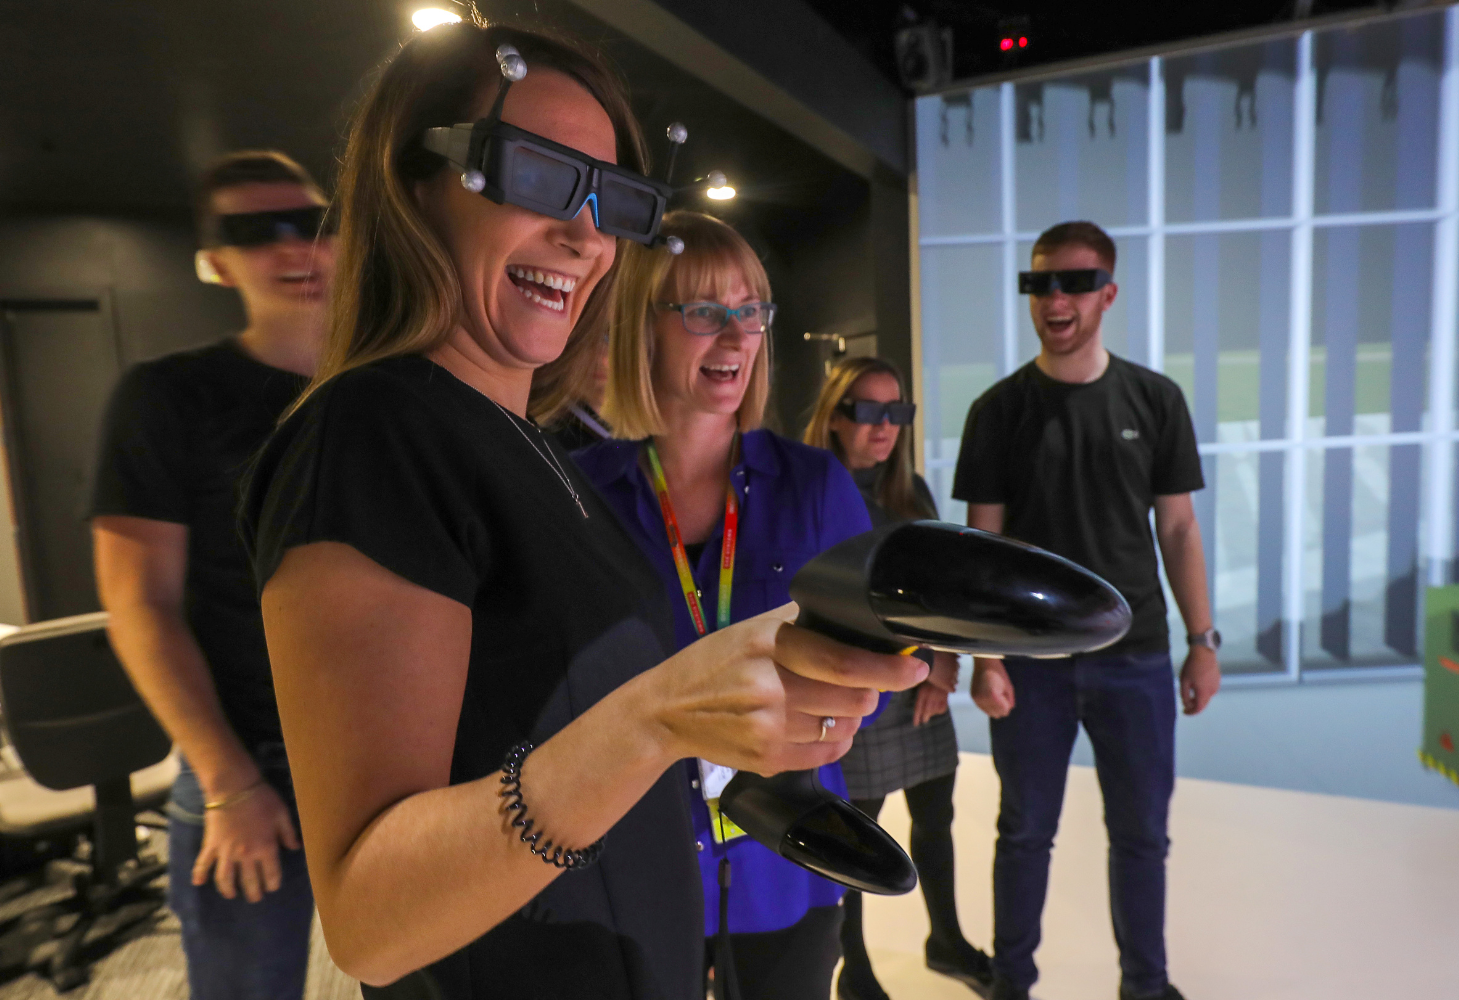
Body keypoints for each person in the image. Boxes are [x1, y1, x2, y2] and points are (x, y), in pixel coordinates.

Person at [238, 24, 922, 1000]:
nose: (587, 234)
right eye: (540, 176)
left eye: (613, 201)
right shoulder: (376, 431)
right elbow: (370, 918)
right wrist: (656, 719)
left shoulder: (530, 449)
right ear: (412, 178)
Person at [573, 210, 878, 1000]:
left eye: (751, 312)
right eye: (704, 312)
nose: (736, 336)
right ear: (643, 326)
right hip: (631, 865)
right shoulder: (579, 495)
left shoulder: (817, 487)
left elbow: (866, 680)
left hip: (788, 863)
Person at [953, 221, 1221, 1000]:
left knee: (1141, 838)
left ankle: (1146, 984)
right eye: (1039, 285)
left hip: (1134, 656)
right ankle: (1012, 984)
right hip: (1032, 666)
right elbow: (984, 549)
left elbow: (1177, 528)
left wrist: (1202, 641)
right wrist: (986, 658)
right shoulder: (998, 410)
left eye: (1073, 283)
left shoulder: (1154, 400)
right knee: (1024, 834)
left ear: (1108, 292)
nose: (1055, 301)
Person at [90, 149, 332, 1000]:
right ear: (216, 261)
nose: (291, 246)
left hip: (395, 752)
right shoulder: (170, 397)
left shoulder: (392, 387)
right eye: (253, 231)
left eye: (309, 222)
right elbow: (139, 605)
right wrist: (230, 783)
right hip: (249, 761)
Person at [804, 357, 994, 1000]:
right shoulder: (809, 488)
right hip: (851, 687)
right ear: (834, 415)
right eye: (869, 411)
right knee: (853, 840)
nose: (885, 426)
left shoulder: (908, 489)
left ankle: (946, 940)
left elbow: (945, 587)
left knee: (935, 815)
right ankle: (853, 969)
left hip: (916, 680)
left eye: (898, 413)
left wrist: (943, 667)